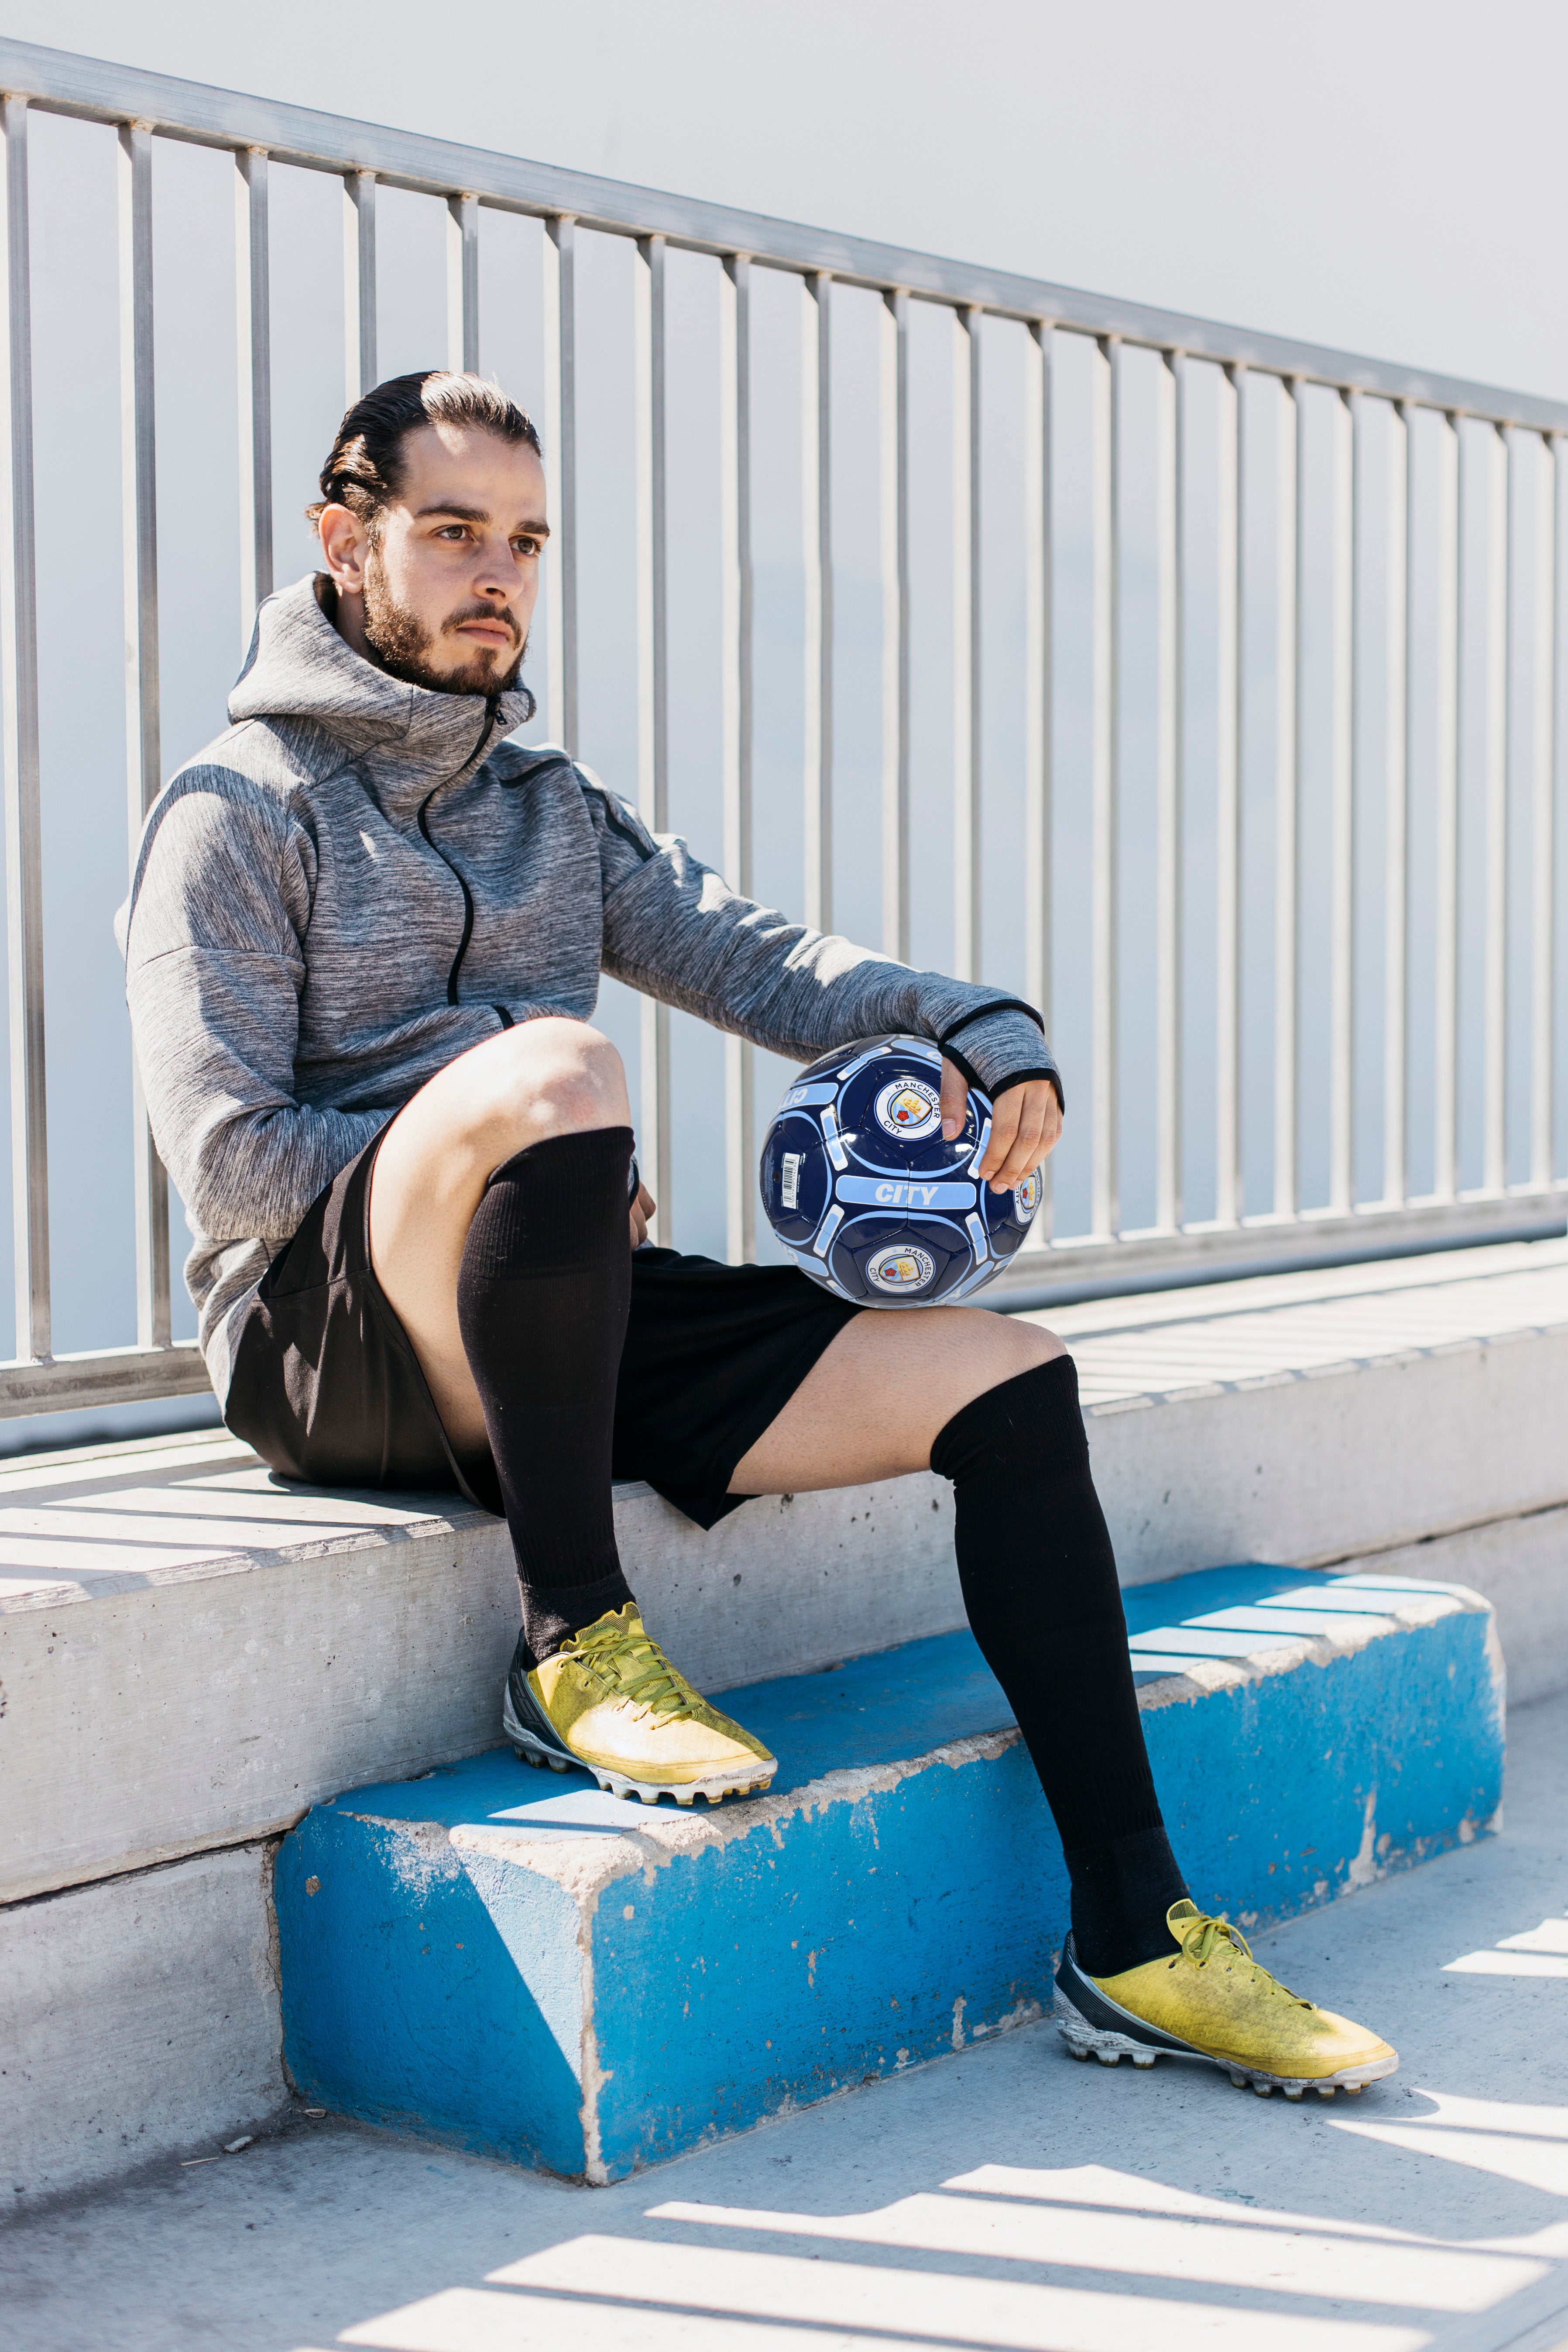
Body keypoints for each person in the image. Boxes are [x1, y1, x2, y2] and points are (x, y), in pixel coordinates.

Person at [118, 369, 1396, 2099]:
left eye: (524, 540)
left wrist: (976, 1027)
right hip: (324, 1346)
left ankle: (1134, 1933)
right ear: (345, 543)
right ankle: (576, 1633)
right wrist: (507, 1143)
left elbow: (761, 961)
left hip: (543, 1322)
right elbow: (227, 1161)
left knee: (1008, 1380)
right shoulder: (234, 810)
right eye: (449, 534)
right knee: (557, 1068)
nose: (495, 572)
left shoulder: (550, 809)